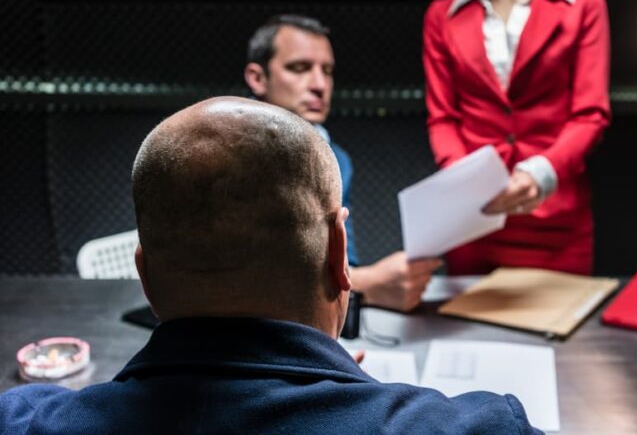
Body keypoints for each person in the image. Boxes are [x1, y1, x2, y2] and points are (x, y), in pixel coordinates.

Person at [0, 98, 542, 434]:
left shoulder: (24, 422)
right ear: (339, 255)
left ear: (145, 274)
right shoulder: (481, 428)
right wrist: (363, 397)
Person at [423, 0, 611, 275]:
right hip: (475, 221)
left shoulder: (585, 3)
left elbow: (590, 114)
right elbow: (443, 118)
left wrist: (539, 172)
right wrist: (466, 180)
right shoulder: (441, 16)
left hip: (557, 222)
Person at [244, 15, 440, 311]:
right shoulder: (227, 155)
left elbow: (345, 260)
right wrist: (369, 284)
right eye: (299, 68)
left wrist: (361, 281)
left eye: (327, 71)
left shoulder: (338, 159)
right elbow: (240, 277)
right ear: (258, 78)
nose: (320, 85)